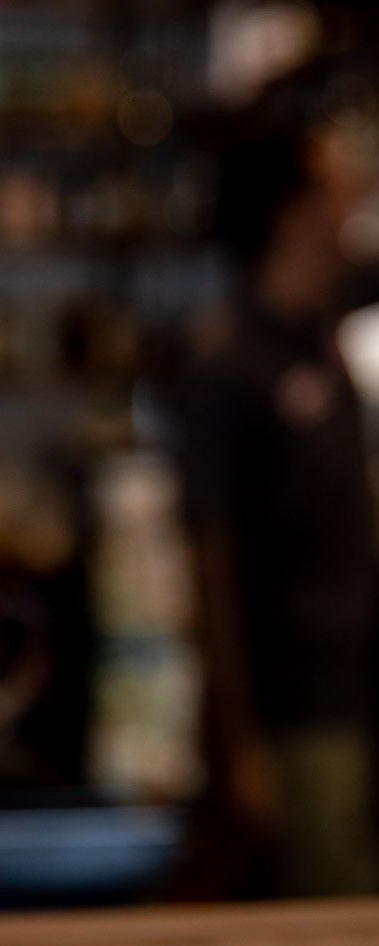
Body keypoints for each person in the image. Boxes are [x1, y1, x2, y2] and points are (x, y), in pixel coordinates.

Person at [180, 113, 379, 896]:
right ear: (291, 210)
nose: (355, 196)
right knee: (330, 922)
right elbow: (211, 558)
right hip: (297, 709)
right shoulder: (226, 363)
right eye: (335, 185)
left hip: (357, 684)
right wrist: (240, 743)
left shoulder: (321, 332)